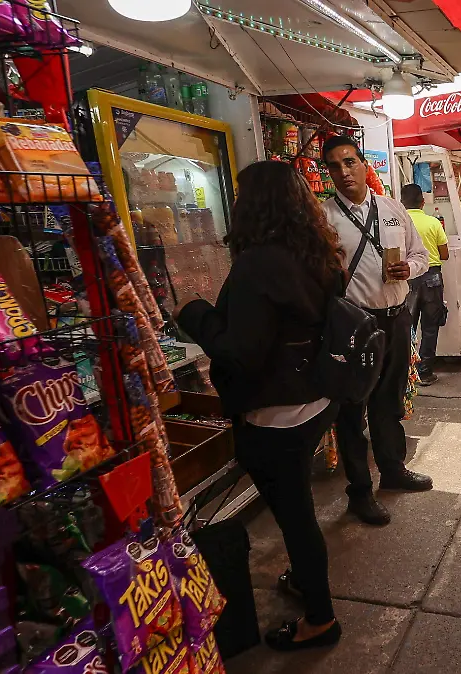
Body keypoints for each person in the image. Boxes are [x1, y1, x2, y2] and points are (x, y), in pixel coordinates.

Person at [176, 161, 343, 652]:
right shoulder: (318, 250)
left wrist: (194, 314)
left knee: (295, 516)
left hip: (276, 417)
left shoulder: (258, 264)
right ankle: (305, 580)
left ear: (254, 204)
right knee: (299, 509)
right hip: (317, 401)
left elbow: (241, 352)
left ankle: (320, 619)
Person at [321, 135, 433, 527]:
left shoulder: (393, 209)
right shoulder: (323, 219)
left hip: (397, 318)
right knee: (351, 411)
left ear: (364, 164)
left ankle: (393, 469)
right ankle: (360, 493)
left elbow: (422, 256)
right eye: (334, 165)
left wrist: (411, 269)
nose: (344, 171)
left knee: (389, 399)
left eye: (349, 162)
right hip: (353, 327)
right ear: (328, 172)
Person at [401, 183, 448, 386]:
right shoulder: (433, 223)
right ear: (422, 202)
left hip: (406, 277)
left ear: (401, 202)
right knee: (430, 327)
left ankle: (405, 373)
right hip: (431, 278)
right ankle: (425, 373)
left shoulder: (397, 223)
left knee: (405, 327)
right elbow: (444, 254)